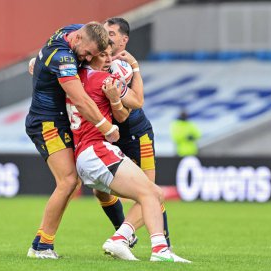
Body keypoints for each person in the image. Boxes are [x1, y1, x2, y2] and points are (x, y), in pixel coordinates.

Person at [67, 42, 188, 262]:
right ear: (90, 55)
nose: (108, 59)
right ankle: (159, 250)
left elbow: (121, 115)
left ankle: (121, 239)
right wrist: (134, 70)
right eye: (102, 55)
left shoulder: (71, 80)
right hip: (97, 151)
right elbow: (137, 101)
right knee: (150, 193)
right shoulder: (104, 80)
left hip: (84, 156)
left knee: (153, 193)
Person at [25, 22, 120, 259]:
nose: (86, 58)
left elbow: (98, 31)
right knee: (68, 180)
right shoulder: (63, 58)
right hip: (46, 122)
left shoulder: (76, 31)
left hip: (59, 120)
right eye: (86, 53)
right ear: (77, 38)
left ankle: (40, 242)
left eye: (92, 55)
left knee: (75, 182)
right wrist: (106, 127)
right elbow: (80, 99)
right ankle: (42, 247)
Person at [98, 17, 182, 256]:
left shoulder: (121, 66)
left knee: (150, 189)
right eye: (105, 32)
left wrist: (135, 68)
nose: (107, 37)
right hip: (112, 136)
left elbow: (132, 106)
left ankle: (161, 244)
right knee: (100, 190)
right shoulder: (99, 59)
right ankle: (124, 234)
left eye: (112, 34)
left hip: (136, 134)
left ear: (124, 40)